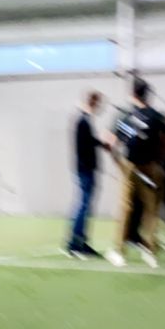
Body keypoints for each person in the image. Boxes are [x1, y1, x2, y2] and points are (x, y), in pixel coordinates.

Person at [106, 78, 165, 269]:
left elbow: (111, 142)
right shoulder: (157, 117)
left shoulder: (125, 116)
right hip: (151, 167)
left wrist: (118, 163)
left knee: (126, 208)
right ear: (147, 94)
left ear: (132, 93)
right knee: (151, 210)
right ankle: (150, 252)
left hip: (130, 167)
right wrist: (159, 160)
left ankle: (119, 252)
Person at [66, 91, 106, 258]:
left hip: (85, 169)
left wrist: (100, 142)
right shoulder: (83, 121)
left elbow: (88, 142)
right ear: (94, 103)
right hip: (85, 170)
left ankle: (80, 241)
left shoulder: (85, 120)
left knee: (85, 206)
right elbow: (85, 145)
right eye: (99, 104)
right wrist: (102, 142)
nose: (100, 107)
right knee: (83, 206)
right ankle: (75, 244)